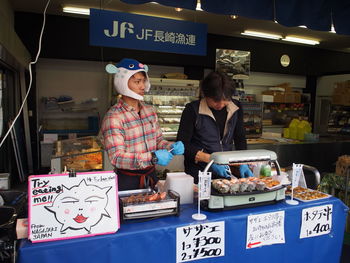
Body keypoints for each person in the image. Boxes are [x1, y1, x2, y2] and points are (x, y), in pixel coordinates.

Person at [101, 58, 184, 190]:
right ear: (123, 83)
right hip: (127, 181)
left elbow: (158, 141)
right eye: (137, 81)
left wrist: (170, 146)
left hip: (151, 176)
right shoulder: (114, 117)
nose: (143, 86)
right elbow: (117, 157)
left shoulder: (149, 111)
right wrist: (152, 157)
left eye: (144, 81)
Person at [176, 71, 253, 184]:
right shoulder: (192, 110)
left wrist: (243, 162)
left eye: (225, 100)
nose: (221, 105)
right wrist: (210, 160)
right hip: (198, 170)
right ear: (206, 95)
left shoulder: (236, 108)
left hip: (225, 169)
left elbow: (240, 137)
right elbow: (182, 143)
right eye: (216, 101)